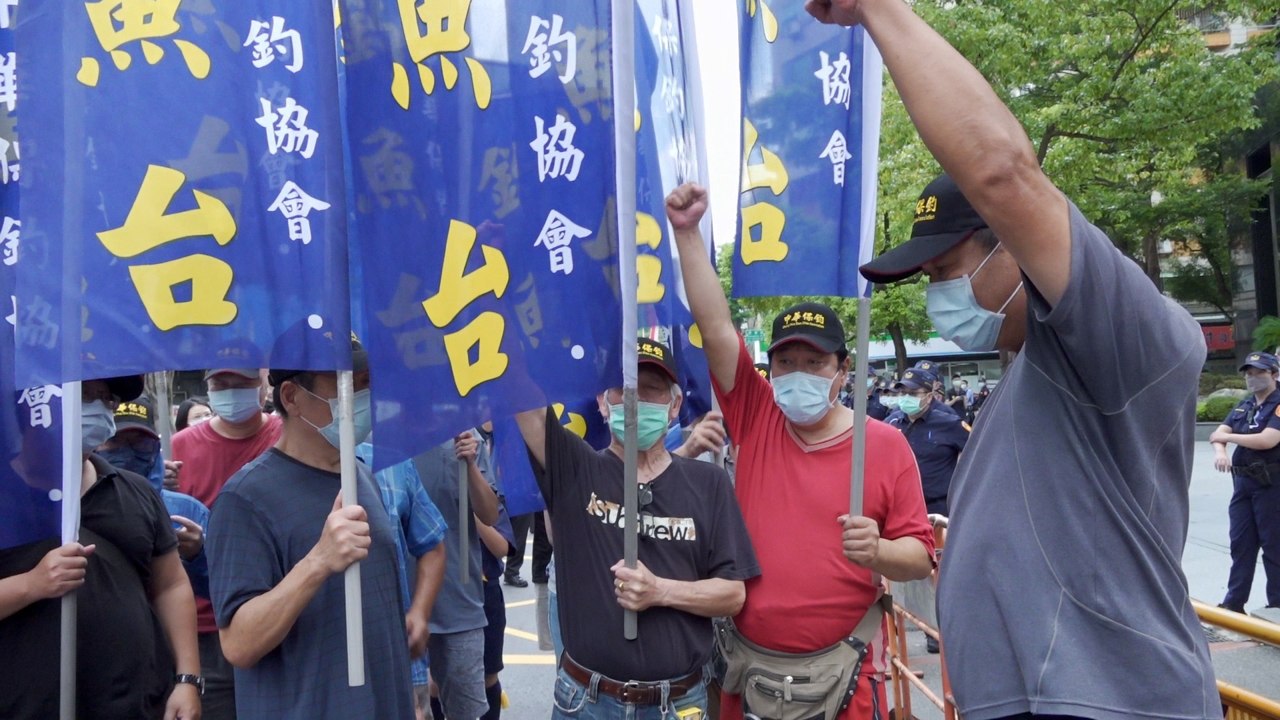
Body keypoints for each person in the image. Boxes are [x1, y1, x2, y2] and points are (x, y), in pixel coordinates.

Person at [806, 2, 1219, 717]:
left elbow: (1000, 172)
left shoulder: (1125, 337)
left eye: (947, 268)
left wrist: (876, 11)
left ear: (1014, 243)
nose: (939, 294)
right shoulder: (1024, 373)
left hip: (1111, 701)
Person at [669, 193, 936, 718]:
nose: (798, 373)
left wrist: (878, 550)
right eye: (785, 360)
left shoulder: (884, 445)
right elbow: (717, 327)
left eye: (814, 362)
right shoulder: (756, 413)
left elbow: (919, 556)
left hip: (845, 681)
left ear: (842, 370)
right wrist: (686, 235)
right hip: (748, 674)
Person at [514, 338, 761, 720]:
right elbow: (520, 396)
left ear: (674, 405)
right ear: (602, 401)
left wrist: (660, 591)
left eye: (651, 390)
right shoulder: (576, 469)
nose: (635, 399)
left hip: (677, 705)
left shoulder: (708, 483)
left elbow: (732, 595)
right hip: (586, 703)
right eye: (623, 388)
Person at [206, 347, 419, 719]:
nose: (365, 395)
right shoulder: (245, 499)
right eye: (350, 384)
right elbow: (239, 644)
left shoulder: (360, 476)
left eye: (371, 383)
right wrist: (318, 562)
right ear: (291, 396)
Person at [0, 375, 202, 719]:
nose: (98, 407)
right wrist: (31, 584)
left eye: (106, 399)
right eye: (85, 395)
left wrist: (188, 678)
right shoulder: (8, 495)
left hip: (136, 703)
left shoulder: (135, 491)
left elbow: (170, 584)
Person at [174, 366, 282, 720]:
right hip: (205, 624)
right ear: (208, 388)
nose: (232, 392)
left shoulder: (288, 436)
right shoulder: (179, 448)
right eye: (222, 384)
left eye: (243, 384)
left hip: (276, 615)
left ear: (265, 386)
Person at [356, 442, 448, 720]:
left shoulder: (392, 464)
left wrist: (420, 611)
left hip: (401, 664)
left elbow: (432, 544)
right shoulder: (272, 478)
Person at [415, 431, 501, 720]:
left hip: (458, 602)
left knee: (466, 710)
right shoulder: (378, 434)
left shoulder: (464, 435)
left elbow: (491, 515)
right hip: (398, 600)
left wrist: (470, 465)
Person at [102, 396, 213, 599]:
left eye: (139, 442)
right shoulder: (77, 509)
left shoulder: (187, 511)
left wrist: (197, 555)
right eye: (115, 441)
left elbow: (221, 588)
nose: (128, 452)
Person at [1209, 351, 1280, 613]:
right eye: (1248, 374)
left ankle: (1276, 607)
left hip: (1271, 484)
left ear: (1274, 374)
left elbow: (1268, 440)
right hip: (1243, 484)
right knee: (1241, 543)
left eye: (1259, 373)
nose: (1252, 378)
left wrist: (1230, 438)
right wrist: (1220, 451)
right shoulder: (1246, 405)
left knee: (1274, 545)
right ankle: (1234, 604)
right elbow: (1218, 433)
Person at [884, 367, 969, 518]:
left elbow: (978, 453)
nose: (906, 398)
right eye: (903, 393)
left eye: (913, 393)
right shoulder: (891, 422)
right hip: (899, 507)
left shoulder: (949, 423)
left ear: (929, 397)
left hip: (937, 508)